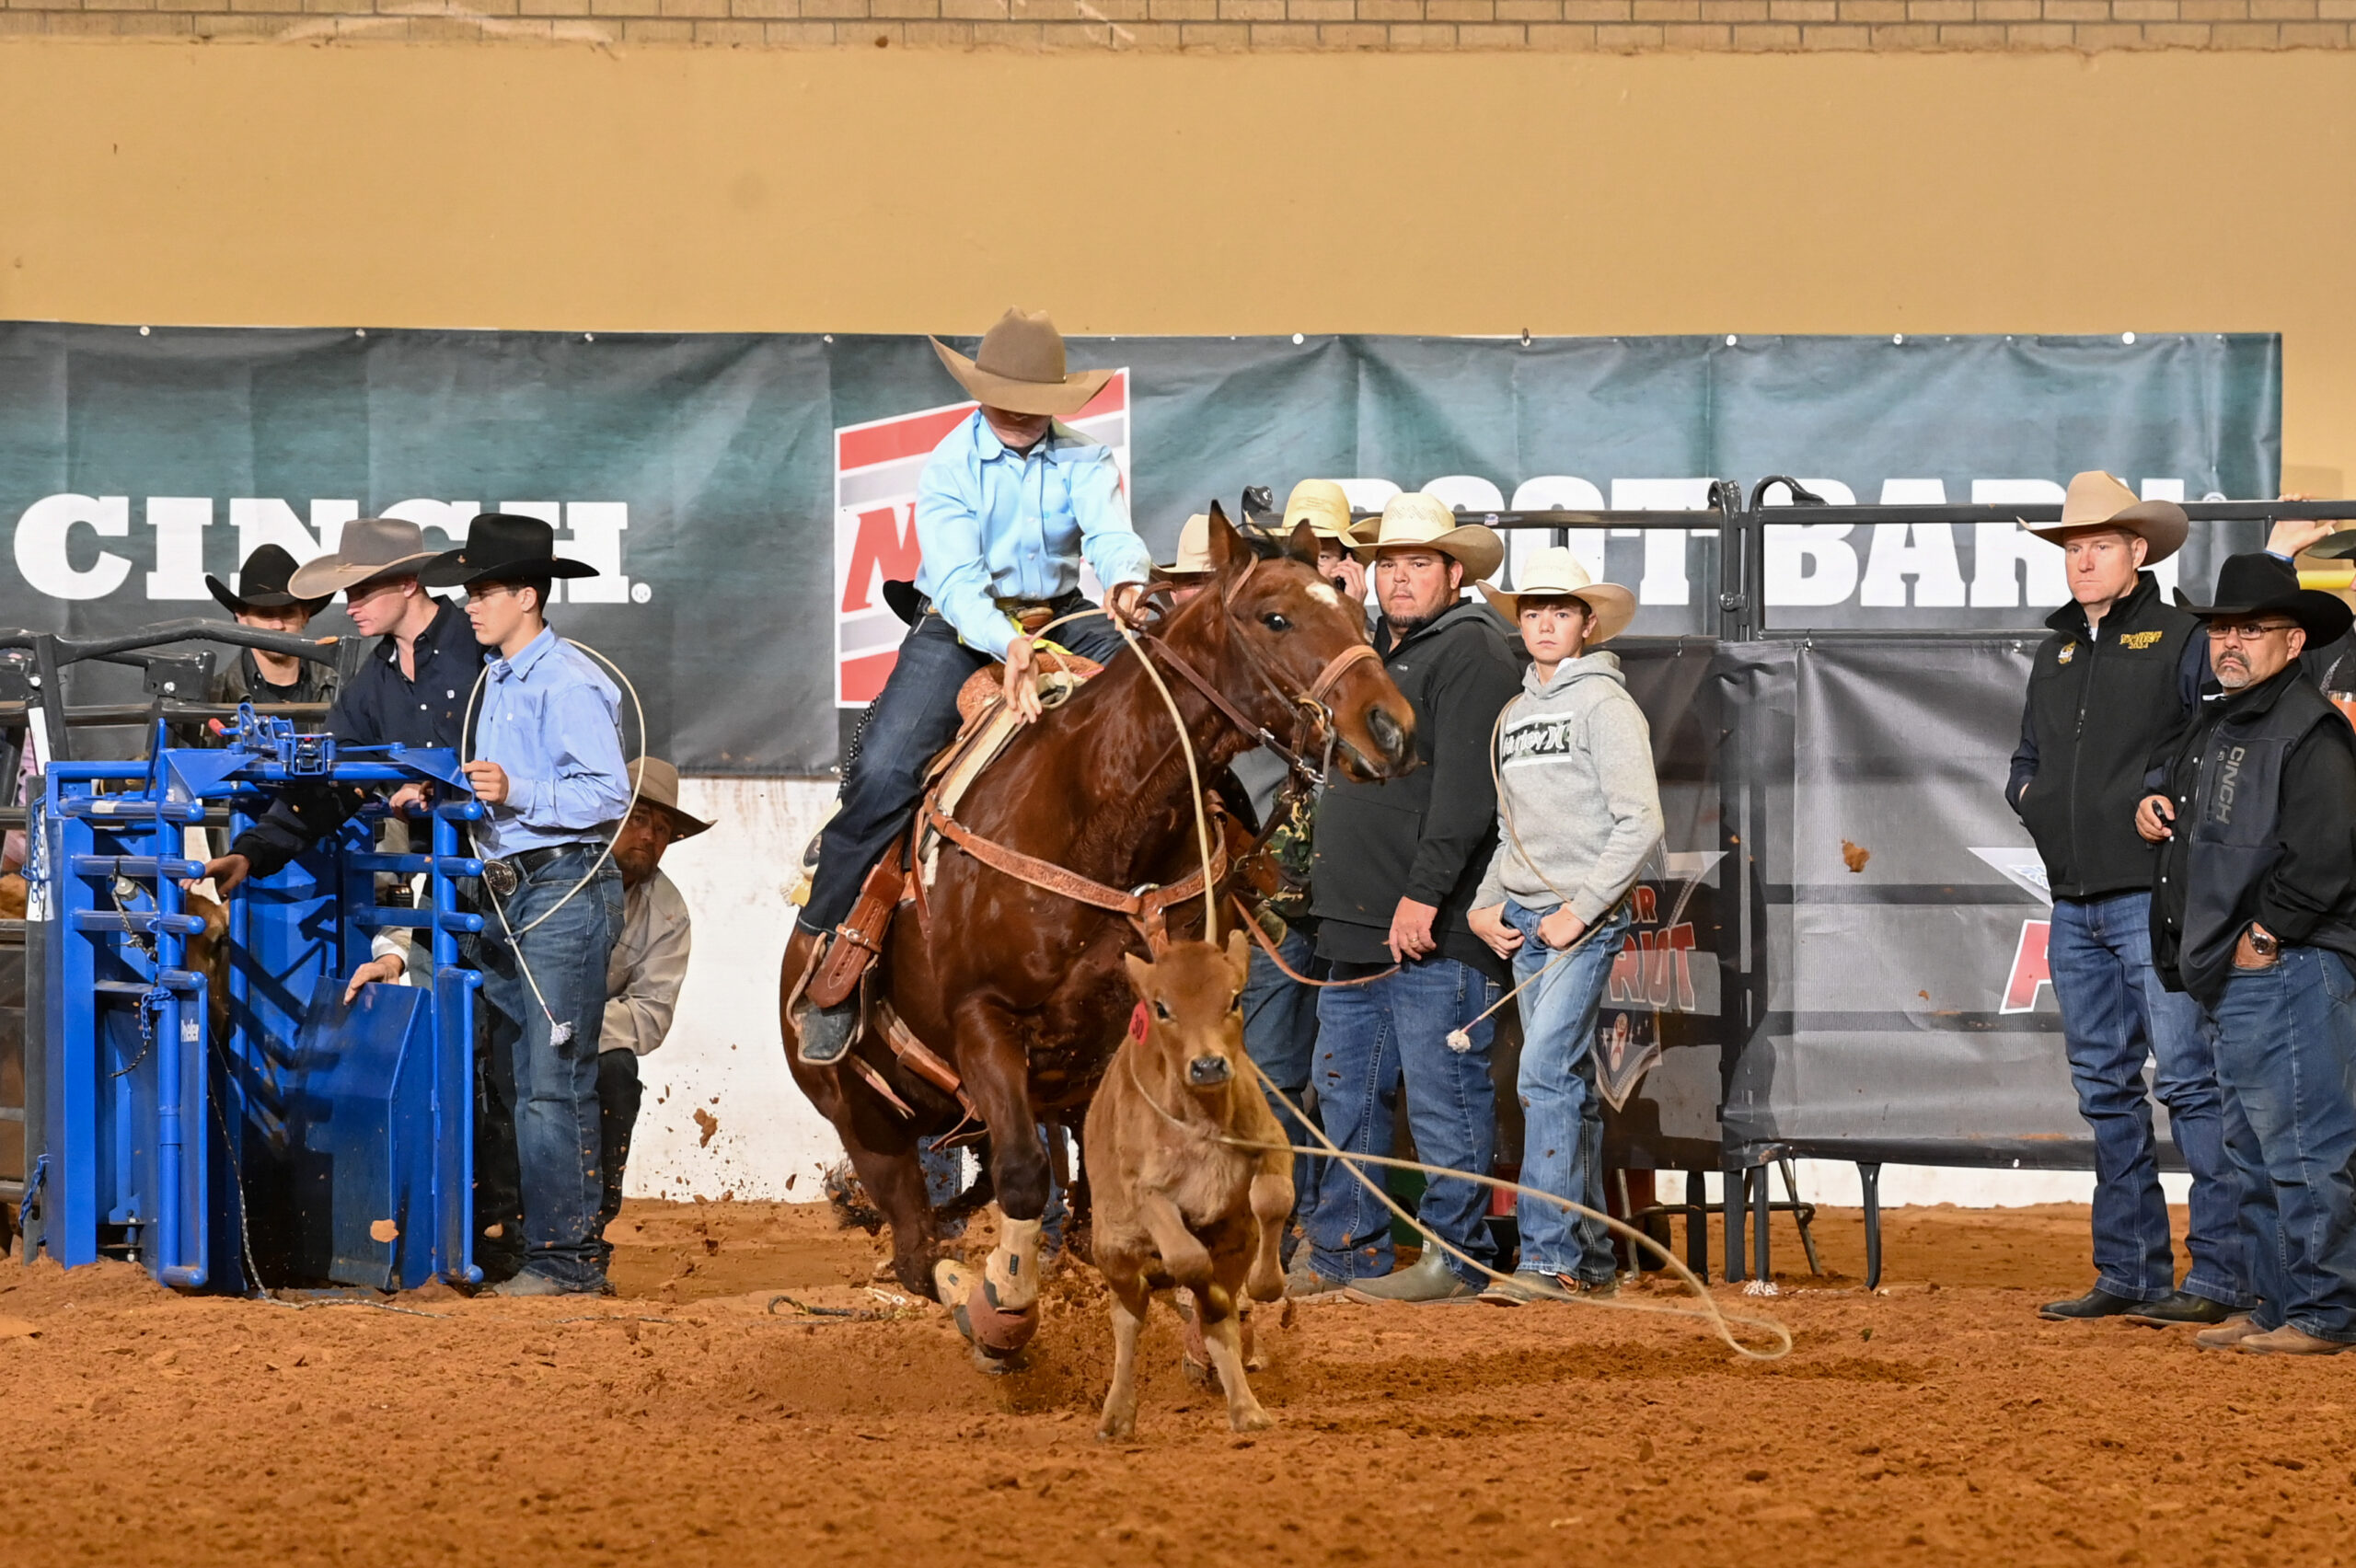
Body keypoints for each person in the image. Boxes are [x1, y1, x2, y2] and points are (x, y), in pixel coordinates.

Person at [795, 309, 1152, 1064]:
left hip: (1065, 615)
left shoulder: (1086, 461)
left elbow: (1112, 536)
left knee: (1162, 697)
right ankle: (831, 950)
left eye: (1033, 395)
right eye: (1005, 392)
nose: (1019, 408)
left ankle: (1213, 882)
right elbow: (956, 584)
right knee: (885, 769)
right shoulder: (951, 463)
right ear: (982, 392)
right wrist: (1009, 643)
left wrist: (1125, 584)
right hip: (960, 627)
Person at [2005, 471, 2251, 1327]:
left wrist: (2154, 788)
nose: (2082, 562)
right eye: (2073, 549)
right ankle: (2131, 1270)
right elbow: (2026, 760)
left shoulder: (2182, 636)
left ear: (2137, 552)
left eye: (2098, 546)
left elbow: (2209, 734)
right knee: (2105, 1088)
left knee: (2188, 1080)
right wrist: (2030, 802)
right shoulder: (2056, 649)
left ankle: (2221, 1274)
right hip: (2074, 900)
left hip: (2154, 897)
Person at [1291, 491, 1519, 1303]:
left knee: (1442, 1096)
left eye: (1419, 563)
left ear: (1453, 573)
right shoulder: (1368, 654)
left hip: (1433, 926)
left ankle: (1454, 1260)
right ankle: (1344, 1252)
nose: (1400, 578)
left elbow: (1466, 795)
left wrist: (1423, 896)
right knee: (1347, 1096)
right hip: (1351, 923)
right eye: (1388, 563)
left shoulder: (1475, 652)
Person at [2140, 552, 2356, 1355]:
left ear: (2293, 642)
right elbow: (2188, 790)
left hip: (2290, 967)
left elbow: (2329, 852)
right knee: (2257, 1151)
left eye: (2252, 629)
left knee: (2303, 1148)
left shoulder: (2309, 730)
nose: (2231, 642)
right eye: (2222, 628)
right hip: (2241, 974)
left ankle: (2327, 1312)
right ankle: (2277, 1306)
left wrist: (2266, 936)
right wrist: (2153, 799)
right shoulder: (2224, 720)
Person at [419, 513, 631, 1297]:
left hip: (561, 884)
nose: (470, 605)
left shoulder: (568, 679)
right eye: (469, 592)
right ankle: (542, 1247)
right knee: (519, 1077)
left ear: (528, 597)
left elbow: (609, 793)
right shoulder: (502, 680)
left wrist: (518, 791)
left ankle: (567, 1262)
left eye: (484, 591)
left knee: (549, 1077)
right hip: (519, 889)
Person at [1465, 548, 1661, 1304]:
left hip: (1579, 921)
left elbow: (1640, 821)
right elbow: (1511, 830)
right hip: (1523, 920)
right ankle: (1587, 1263)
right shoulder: (1514, 715)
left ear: (1586, 624)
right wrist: (1487, 903)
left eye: (1561, 612)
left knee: (1545, 1074)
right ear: (1522, 623)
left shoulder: (1607, 707)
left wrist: (1581, 911)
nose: (1546, 624)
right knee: (1565, 1085)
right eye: (1534, 612)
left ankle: (1547, 1260)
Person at [203, 516, 484, 894]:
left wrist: (447, 786)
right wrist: (251, 852)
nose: (351, 607)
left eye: (363, 591)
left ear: (407, 583)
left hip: (525, 860)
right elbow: (334, 780)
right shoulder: (373, 682)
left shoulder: (481, 646)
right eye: (348, 594)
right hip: (449, 874)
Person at [595, 756, 708, 1272]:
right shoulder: (558, 871)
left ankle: (588, 1236)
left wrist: (571, 1032)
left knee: (618, 1074)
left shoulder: (668, 911)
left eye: (662, 828)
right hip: (515, 1027)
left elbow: (650, 1016)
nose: (649, 835)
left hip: (586, 1039)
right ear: (610, 816)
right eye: (638, 818)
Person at [203, 543, 337, 719]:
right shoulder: (212, 699)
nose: (277, 625)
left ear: (305, 615)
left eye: (288, 612)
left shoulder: (342, 691)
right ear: (242, 617)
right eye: (265, 614)